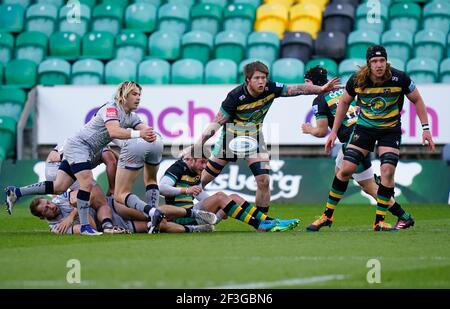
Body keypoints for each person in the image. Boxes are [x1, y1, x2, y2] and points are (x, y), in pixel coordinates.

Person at [5, 81, 158, 235]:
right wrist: (140, 134)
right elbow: (113, 132)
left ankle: (16, 192)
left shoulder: (131, 116)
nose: (138, 98)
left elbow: (145, 129)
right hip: (79, 146)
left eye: (139, 94)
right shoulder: (111, 109)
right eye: (134, 94)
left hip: (87, 151)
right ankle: (85, 227)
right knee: (86, 183)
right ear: (124, 95)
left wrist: (154, 136)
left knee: (59, 187)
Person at [195, 61, 340, 215]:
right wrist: (199, 144)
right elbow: (216, 123)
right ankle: (185, 209)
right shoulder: (235, 96)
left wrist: (322, 89)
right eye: (257, 78)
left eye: (263, 77)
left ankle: (262, 221)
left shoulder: (271, 88)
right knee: (203, 180)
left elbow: (298, 88)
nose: (261, 81)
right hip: (231, 138)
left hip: (255, 137)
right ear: (247, 80)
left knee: (264, 181)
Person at [323, 45, 435, 231]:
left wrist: (425, 128)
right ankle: (327, 216)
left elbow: (417, 99)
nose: (379, 65)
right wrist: (333, 132)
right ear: (368, 64)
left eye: (382, 60)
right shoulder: (357, 79)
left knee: (387, 171)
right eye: (374, 61)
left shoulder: (399, 78)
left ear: (386, 61)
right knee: (346, 169)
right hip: (365, 129)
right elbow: (343, 102)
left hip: (389, 130)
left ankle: (379, 221)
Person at [301, 65, 415, 231]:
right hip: (364, 133)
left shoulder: (319, 100)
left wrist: (308, 129)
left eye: (307, 83)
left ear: (313, 83)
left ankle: (402, 216)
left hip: (354, 142)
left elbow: (321, 131)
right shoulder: (342, 90)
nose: (306, 87)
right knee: (340, 174)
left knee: (367, 185)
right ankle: (327, 215)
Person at [160, 146, 300, 232]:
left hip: (195, 216)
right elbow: (162, 188)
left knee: (233, 198)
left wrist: (226, 206)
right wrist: (185, 191)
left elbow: (202, 196)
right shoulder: (178, 168)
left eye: (206, 163)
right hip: (180, 218)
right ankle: (258, 225)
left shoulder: (196, 172)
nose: (204, 167)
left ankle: (271, 221)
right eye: (202, 162)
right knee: (221, 197)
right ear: (191, 159)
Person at [113, 136, 217, 233]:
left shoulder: (190, 170)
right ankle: (191, 228)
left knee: (119, 194)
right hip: (155, 140)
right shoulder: (183, 168)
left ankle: (153, 213)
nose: (204, 167)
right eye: (202, 162)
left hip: (137, 143)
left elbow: (111, 134)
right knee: (151, 181)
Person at [29, 192, 215, 234]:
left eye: (47, 202)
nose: (50, 206)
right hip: (115, 226)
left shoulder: (60, 199)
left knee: (151, 213)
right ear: (42, 216)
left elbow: (91, 193)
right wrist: (81, 208)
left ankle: (194, 214)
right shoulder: (56, 228)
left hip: (112, 208)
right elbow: (91, 228)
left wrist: (72, 215)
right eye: (45, 209)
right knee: (160, 225)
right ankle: (196, 229)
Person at [45, 141, 118, 196]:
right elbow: (112, 162)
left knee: (59, 195)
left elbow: (52, 156)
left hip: (51, 167)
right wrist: (112, 189)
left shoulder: (83, 138)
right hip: (63, 165)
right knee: (95, 196)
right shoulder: (101, 146)